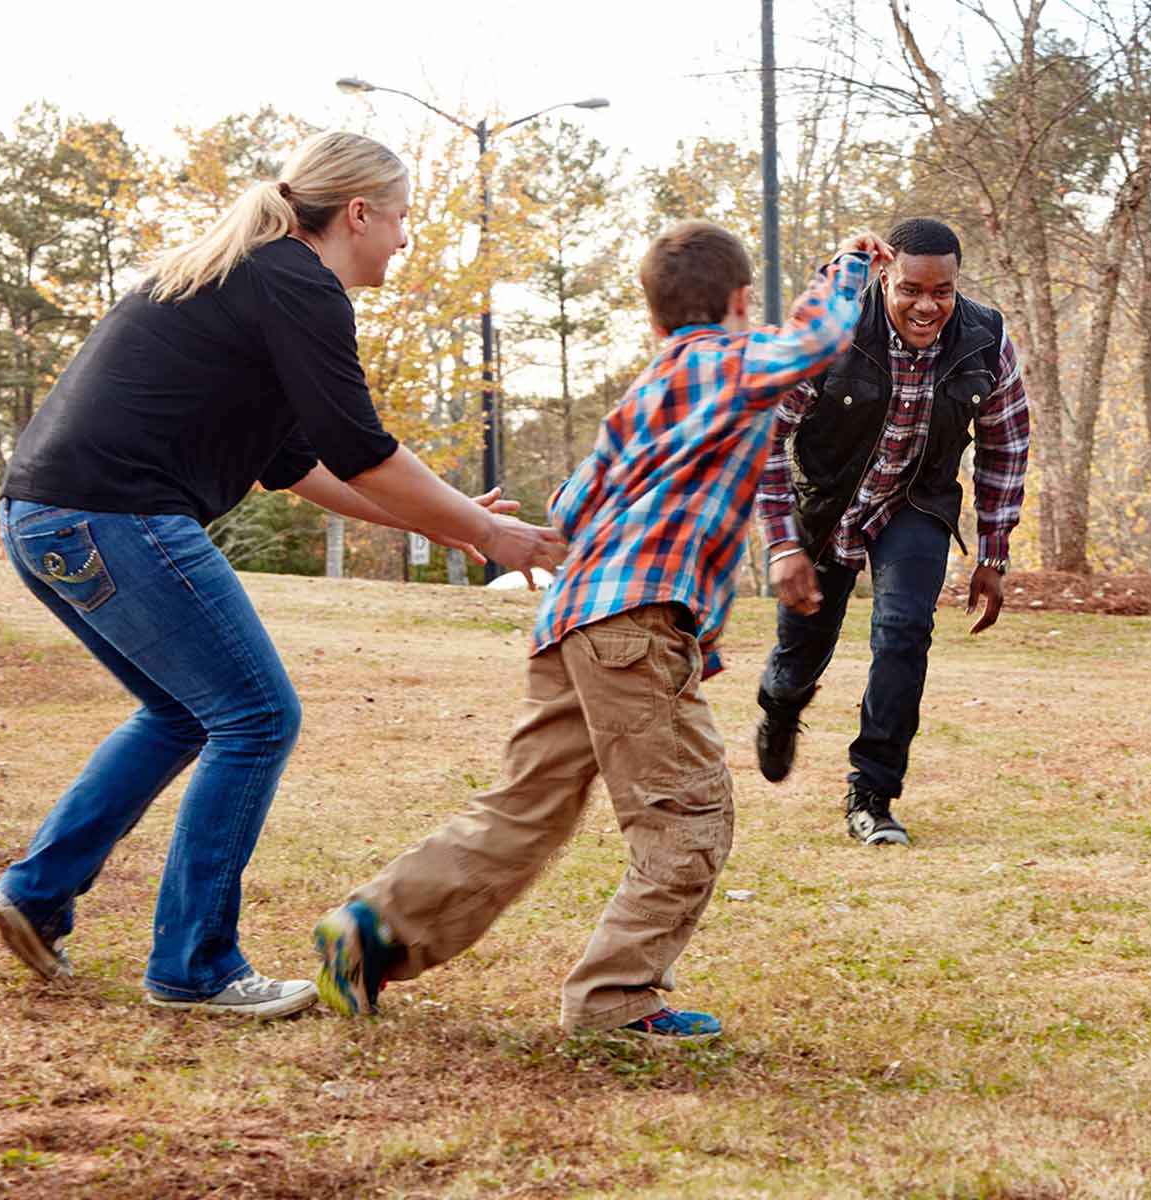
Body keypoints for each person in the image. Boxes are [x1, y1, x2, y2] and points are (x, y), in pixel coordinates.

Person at [0, 131, 566, 1018]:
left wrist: (451, 525)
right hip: (116, 515)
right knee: (256, 717)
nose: (406, 241)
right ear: (359, 213)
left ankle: (35, 895)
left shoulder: (251, 276)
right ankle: (194, 966)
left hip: (47, 518)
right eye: (402, 219)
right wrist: (486, 531)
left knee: (185, 714)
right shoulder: (296, 281)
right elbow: (363, 451)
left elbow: (298, 463)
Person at [310, 222, 889, 1040]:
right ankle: (617, 999)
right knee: (687, 815)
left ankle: (372, 930)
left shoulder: (644, 391)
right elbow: (819, 337)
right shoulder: (729, 360)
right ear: (739, 303)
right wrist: (851, 264)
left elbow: (575, 503)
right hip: (635, 625)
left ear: (652, 321)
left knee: (527, 807)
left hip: (574, 622)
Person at [752, 218, 1029, 847]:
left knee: (905, 630)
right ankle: (781, 702)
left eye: (943, 291)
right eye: (910, 289)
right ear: (885, 278)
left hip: (916, 504)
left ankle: (873, 793)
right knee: (801, 649)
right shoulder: (837, 333)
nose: (926, 305)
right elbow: (764, 434)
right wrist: (783, 544)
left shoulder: (985, 339)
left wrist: (993, 553)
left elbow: (1005, 444)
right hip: (827, 505)